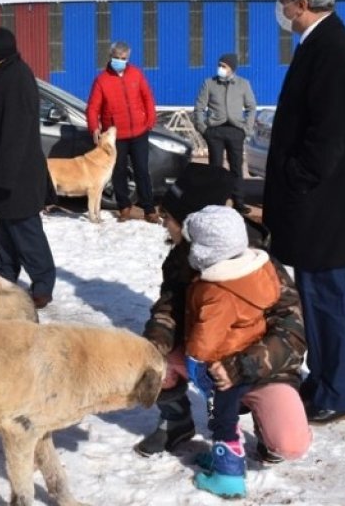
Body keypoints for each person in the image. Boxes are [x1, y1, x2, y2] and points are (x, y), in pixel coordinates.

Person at [264, 0, 345, 424]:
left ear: (302, 4)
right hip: (319, 205)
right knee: (316, 299)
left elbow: (327, 136)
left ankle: (338, 393)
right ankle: (324, 379)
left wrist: (297, 174)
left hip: (324, 207)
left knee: (328, 301)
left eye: (283, 0)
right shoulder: (323, 44)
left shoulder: (332, 49)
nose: (282, 9)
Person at [139, 163, 310, 468]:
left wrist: (241, 367)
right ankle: (176, 422)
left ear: (195, 221)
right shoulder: (181, 259)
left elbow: (292, 333)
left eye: (169, 218)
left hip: (257, 369)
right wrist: (155, 342)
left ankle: (264, 418)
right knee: (151, 358)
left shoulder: (259, 263)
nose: (164, 224)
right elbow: (169, 307)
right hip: (205, 357)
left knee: (290, 444)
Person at [180, 205, 281, 498]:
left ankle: (229, 474)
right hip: (249, 354)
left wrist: (195, 357)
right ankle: (223, 455)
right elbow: (274, 294)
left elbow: (207, 335)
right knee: (224, 413)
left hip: (223, 363)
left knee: (222, 417)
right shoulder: (257, 267)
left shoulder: (218, 290)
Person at [0, 27, 57, 310]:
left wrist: (7, 176)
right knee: (6, 226)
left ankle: (43, 283)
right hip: (4, 169)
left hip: (18, 172)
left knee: (25, 228)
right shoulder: (3, 74)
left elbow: (17, 131)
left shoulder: (18, 78)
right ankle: (5, 275)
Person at [86, 41, 159, 223]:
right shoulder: (102, 80)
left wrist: (150, 120)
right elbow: (93, 108)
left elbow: (147, 97)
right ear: (110, 57)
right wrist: (94, 127)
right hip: (116, 136)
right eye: (117, 58)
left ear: (128, 58)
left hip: (139, 132)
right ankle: (124, 207)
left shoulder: (136, 74)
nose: (120, 61)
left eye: (123, 58)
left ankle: (149, 209)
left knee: (142, 170)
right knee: (118, 172)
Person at [193, 52, 257, 214]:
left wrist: (245, 129)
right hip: (214, 131)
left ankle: (239, 201)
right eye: (219, 65)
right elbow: (199, 107)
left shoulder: (243, 84)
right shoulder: (209, 83)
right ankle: (216, 201)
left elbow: (251, 107)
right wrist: (203, 129)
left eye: (224, 66)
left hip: (236, 131)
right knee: (215, 167)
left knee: (236, 166)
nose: (220, 68)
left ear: (232, 68)